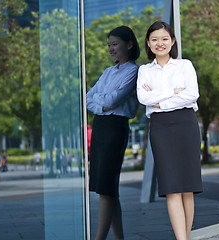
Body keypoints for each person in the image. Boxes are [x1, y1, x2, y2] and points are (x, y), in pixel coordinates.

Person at [136, 21, 202, 240]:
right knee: (171, 187)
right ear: (148, 43)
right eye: (154, 39)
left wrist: (160, 101)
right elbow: (143, 98)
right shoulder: (144, 70)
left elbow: (191, 95)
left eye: (164, 38)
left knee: (187, 188)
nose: (159, 43)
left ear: (172, 41)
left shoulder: (185, 65)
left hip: (186, 125)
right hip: (161, 129)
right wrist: (173, 91)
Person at [87, 25, 140, 240]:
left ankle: (99, 238)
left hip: (115, 128)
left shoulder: (134, 71)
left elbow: (112, 100)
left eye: (115, 44)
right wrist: (103, 104)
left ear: (129, 44)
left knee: (106, 188)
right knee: (106, 187)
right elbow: (89, 98)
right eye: (109, 45)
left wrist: (103, 101)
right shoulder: (108, 72)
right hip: (100, 126)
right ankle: (119, 238)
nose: (111, 49)